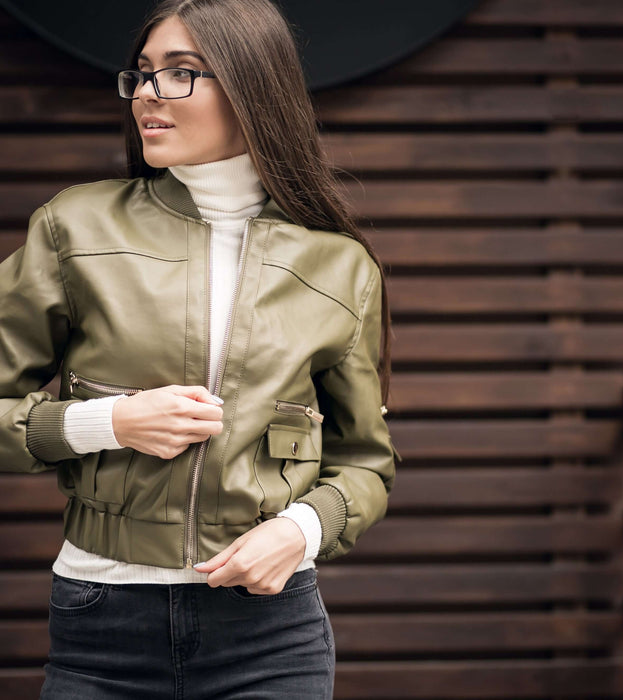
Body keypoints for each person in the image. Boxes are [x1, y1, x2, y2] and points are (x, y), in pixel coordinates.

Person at [0, 0, 396, 697]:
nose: (148, 93)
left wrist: (301, 530)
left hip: (272, 632)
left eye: (181, 73)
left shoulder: (339, 268)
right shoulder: (73, 228)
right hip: (102, 621)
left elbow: (365, 463)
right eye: (142, 73)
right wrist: (106, 423)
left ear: (251, 87)